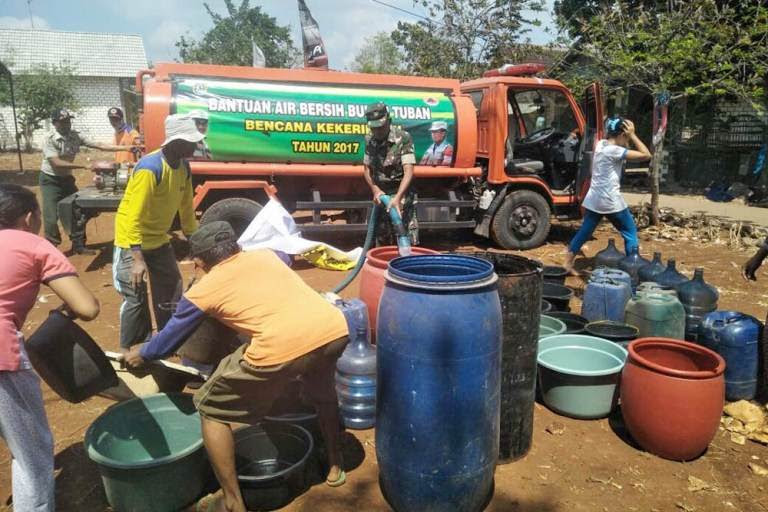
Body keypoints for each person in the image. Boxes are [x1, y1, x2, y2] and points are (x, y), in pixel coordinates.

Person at [123, 221, 349, 512]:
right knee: (322, 390)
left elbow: (166, 343)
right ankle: (335, 464)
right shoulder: (267, 255)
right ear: (237, 247)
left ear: (199, 262)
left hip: (281, 347)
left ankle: (233, 502)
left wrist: (142, 353)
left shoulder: (203, 290)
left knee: (208, 406)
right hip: (333, 329)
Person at [0, 184, 100, 512]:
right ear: (29, 217)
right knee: (33, 458)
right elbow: (87, 307)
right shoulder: (33, 244)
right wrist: (62, 313)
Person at [112, 114, 202, 352]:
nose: (196, 145)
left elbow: (186, 209)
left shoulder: (183, 166)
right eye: (192, 141)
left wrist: (196, 242)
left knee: (172, 289)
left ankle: (166, 342)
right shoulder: (150, 168)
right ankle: (131, 350)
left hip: (158, 240)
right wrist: (137, 260)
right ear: (177, 141)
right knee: (135, 296)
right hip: (132, 241)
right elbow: (133, 216)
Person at [563, 116, 652, 274]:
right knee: (629, 231)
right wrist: (633, 135)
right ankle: (633, 266)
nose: (628, 142)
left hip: (594, 199)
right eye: (626, 138)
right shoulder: (614, 150)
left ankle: (567, 263)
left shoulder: (601, 144)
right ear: (622, 135)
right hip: (610, 200)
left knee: (585, 231)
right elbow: (646, 155)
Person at [40, 108, 134, 254]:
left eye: (68, 121)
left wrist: (129, 147)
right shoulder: (49, 139)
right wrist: (84, 165)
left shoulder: (74, 136)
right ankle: (51, 249)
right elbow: (56, 163)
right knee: (51, 216)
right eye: (63, 122)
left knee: (77, 209)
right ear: (55, 123)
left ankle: (78, 245)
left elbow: (100, 146)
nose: (67, 125)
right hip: (50, 179)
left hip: (67, 179)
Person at [362, 102, 418, 246]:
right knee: (381, 240)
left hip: (401, 195)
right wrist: (375, 189)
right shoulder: (369, 140)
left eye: (381, 127)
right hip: (381, 197)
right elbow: (366, 169)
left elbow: (409, 171)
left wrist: (398, 198)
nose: (378, 131)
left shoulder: (403, 138)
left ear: (388, 120)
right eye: (374, 128)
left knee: (404, 238)